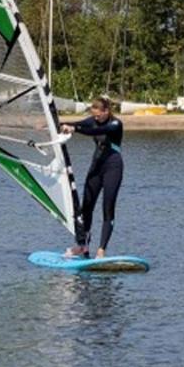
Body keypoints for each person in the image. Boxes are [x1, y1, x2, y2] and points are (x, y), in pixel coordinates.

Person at [61, 96, 124, 259]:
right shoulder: (93, 120)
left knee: (107, 207)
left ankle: (101, 250)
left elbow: (95, 131)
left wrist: (75, 130)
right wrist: (57, 125)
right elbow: (78, 124)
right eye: (93, 115)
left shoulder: (115, 124)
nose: (95, 118)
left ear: (106, 111)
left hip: (113, 167)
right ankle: (83, 246)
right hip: (96, 166)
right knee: (86, 207)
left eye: (98, 115)